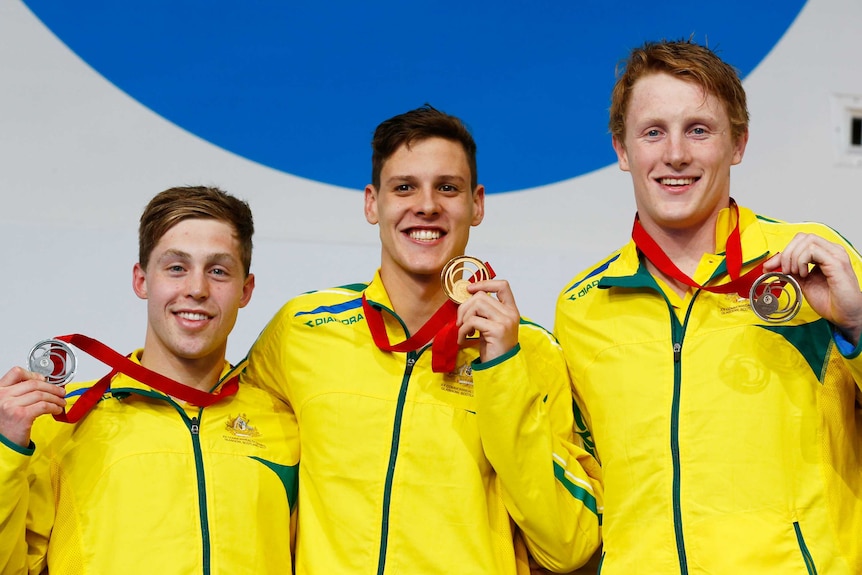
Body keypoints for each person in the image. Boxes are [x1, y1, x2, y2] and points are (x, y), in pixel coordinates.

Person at [242, 105, 603, 574]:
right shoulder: (303, 328)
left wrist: (503, 369)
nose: (427, 205)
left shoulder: (530, 350)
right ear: (373, 203)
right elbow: (224, 451)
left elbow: (569, 545)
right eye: (404, 187)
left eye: (447, 188)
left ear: (477, 204)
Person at [554, 39, 862, 574]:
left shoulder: (812, 263)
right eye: (653, 132)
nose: (676, 154)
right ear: (622, 150)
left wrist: (857, 325)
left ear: (737, 143)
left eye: (699, 129)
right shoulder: (583, 306)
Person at [0, 186, 299, 574]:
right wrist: (6, 447)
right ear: (142, 280)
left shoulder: (285, 424)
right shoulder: (61, 420)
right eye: (176, 267)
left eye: (218, 271)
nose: (196, 289)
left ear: (245, 290)